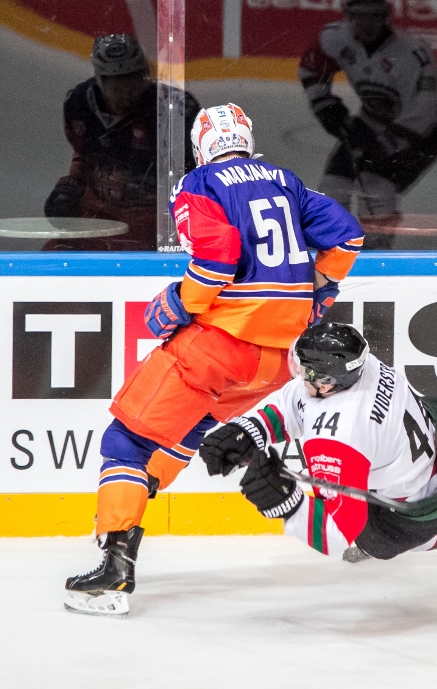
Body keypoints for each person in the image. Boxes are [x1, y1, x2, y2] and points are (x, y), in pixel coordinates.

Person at [64, 103, 366, 615]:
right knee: (191, 429)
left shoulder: (199, 184)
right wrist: (321, 291)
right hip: (278, 362)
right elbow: (348, 233)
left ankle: (114, 564)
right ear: (247, 139)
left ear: (202, 146)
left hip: (219, 347)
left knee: (127, 440)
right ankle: (353, 526)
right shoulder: (285, 180)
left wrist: (182, 302)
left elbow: (220, 253)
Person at [198, 322, 437, 562]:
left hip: (428, 501)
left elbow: (335, 534)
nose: (298, 375)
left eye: (305, 371)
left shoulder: (337, 437)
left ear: (327, 381)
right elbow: (297, 401)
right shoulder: (365, 367)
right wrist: (248, 429)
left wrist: (287, 504)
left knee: (378, 542)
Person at [298, 0, 437, 232]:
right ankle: (333, 245)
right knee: (333, 185)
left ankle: (377, 252)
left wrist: (381, 147)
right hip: (374, 119)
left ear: (385, 17)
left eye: (374, 16)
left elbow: (423, 113)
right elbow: (312, 68)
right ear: (348, 16)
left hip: (430, 131)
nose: (367, 24)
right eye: (360, 16)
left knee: (376, 186)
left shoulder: (412, 55)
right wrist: (323, 103)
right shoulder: (335, 38)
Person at [43, 34, 201, 251]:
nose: (125, 95)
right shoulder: (78, 104)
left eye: (132, 84)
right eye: (117, 87)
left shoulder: (176, 110)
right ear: (100, 80)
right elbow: (83, 154)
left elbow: (199, 174)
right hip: (99, 217)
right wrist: (72, 185)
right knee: (54, 256)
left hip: (155, 221)